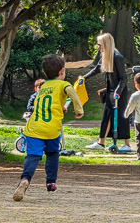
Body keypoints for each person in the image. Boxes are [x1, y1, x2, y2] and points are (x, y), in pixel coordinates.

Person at [13, 55, 84, 202]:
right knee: (52, 153)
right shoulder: (64, 85)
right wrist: (79, 110)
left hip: (34, 128)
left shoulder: (43, 87)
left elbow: (43, 105)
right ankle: (51, 182)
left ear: (46, 73)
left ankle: (25, 179)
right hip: (52, 129)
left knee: (32, 156)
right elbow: (73, 95)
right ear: (62, 71)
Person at [82, 33, 132, 151]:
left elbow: (123, 78)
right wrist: (83, 78)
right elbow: (96, 70)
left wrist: (118, 92)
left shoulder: (118, 57)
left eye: (100, 45)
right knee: (107, 116)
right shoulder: (105, 56)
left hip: (120, 92)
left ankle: (127, 144)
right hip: (110, 91)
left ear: (106, 44)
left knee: (123, 117)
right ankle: (101, 142)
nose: (98, 47)